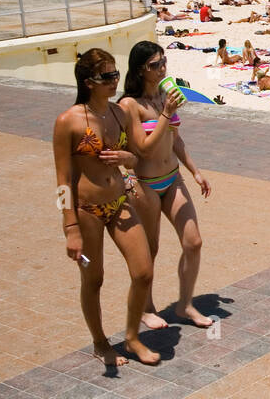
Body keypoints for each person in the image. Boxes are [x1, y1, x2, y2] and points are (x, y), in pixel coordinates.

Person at [53, 48, 180, 367]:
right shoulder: (68, 122)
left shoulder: (118, 113)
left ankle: (132, 338)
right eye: (107, 76)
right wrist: (70, 228)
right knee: (93, 280)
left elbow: (139, 155)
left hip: (120, 201)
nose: (115, 81)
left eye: (115, 74)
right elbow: (62, 180)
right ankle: (99, 343)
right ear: (88, 81)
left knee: (143, 270)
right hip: (86, 211)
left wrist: (128, 160)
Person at [119, 42, 215, 330]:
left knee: (193, 242)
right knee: (150, 249)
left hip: (173, 178)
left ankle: (185, 305)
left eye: (163, 61)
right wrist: (165, 113)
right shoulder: (129, 105)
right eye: (154, 65)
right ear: (139, 70)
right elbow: (144, 149)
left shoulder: (165, 96)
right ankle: (146, 308)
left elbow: (175, 139)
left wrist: (195, 171)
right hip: (145, 183)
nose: (162, 68)